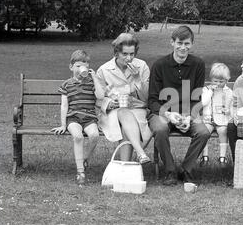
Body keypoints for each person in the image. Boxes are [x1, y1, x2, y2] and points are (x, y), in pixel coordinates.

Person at [148, 25, 211, 185]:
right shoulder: (159, 65)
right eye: (179, 43)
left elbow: (197, 97)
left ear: (192, 44)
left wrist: (189, 117)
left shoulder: (198, 64)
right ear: (172, 42)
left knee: (203, 132)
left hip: (187, 113)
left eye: (187, 44)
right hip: (162, 113)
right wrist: (168, 115)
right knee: (160, 129)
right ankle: (170, 171)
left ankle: (185, 169)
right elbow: (153, 100)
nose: (183, 47)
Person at [96, 33, 152, 163]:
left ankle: (125, 165)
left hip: (137, 109)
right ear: (116, 53)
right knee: (123, 112)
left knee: (127, 123)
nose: (129, 58)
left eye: (132, 54)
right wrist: (109, 103)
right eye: (125, 54)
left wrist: (137, 78)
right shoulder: (104, 70)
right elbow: (98, 98)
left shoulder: (142, 66)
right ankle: (140, 153)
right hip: (113, 112)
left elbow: (147, 97)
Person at [51, 50, 104, 185]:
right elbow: (64, 106)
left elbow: (100, 96)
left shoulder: (92, 83)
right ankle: (80, 172)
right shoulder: (67, 84)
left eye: (84, 66)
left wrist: (96, 79)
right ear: (71, 67)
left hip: (89, 118)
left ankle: (85, 158)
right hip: (73, 118)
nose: (81, 69)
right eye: (78, 66)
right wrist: (63, 125)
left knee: (94, 135)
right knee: (78, 137)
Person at [200, 63, 233, 167]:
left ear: (227, 80)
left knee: (223, 131)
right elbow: (204, 102)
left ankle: (222, 157)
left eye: (221, 81)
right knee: (204, 132)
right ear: (211, 79)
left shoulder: (228, 92)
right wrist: (210, 91)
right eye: (215, 81)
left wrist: (228, 111)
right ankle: (205, 156)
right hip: (208, 120)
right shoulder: (206, 90)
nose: (218, 83)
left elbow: (232, 106)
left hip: (222, 120)